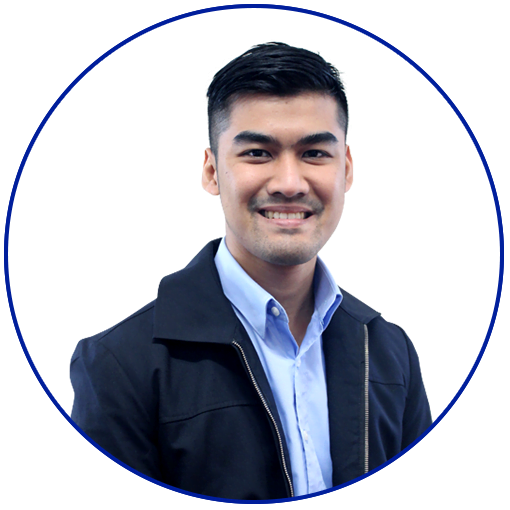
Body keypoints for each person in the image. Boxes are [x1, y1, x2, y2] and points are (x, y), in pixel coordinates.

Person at [70, 42, 432, 499]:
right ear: (211, 172)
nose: (289, 183)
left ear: (346, 169)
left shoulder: (388, 351)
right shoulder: (120, 365)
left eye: (314, 153)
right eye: (258, 153)